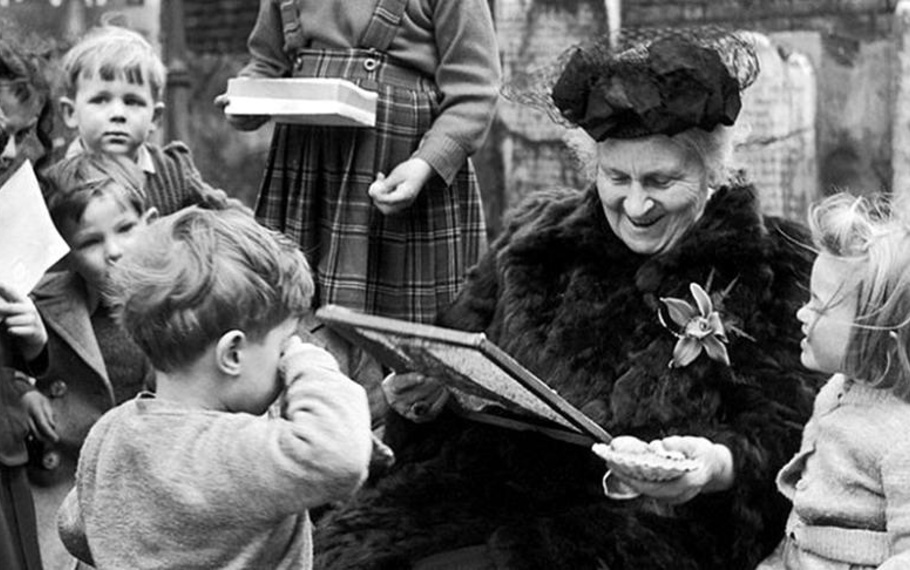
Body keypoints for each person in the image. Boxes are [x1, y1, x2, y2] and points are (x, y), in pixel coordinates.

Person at [313, 27, 823, 569]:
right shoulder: (535, 242)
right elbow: (452, 377)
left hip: (642, 531)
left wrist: (717, 466)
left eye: (660, 180)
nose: (635, 203)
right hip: (476, 497)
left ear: (711, 171)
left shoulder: (776, 266)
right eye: (615, 176)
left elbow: (793, 437)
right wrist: (423, 401)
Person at [56, 205, 373, 570]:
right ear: (233, 354)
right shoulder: (236, 451)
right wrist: (308, 361)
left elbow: (75, 528)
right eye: (283, 346)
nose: (287, 361)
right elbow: (339, 455)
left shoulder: (110, 433)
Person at [217, 0, 500, 326]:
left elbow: (474, 89)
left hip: (400, 172)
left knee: (409, 338)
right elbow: (266, 63)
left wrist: (424, 163)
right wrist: (245, 99)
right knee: (287, 314)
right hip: (306, 176)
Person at [756, 193, 910, 570]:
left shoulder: (899, 440)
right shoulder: (836, 391)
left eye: (819, 304)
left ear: (878, 338)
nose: (801, 312)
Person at [23, 152, 157, 570]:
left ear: (150, 222)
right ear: (65, 253)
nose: (114, 251)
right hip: (65, 485)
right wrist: (24, 387)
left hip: (145, 482)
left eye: (126, 230)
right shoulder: (41, 303)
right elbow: (14, 364)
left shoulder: (177, 302)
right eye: (90, 242)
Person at [59, 24, 233, 215]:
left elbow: (220, 216)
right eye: (100, 100)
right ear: (71, 113)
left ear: (155, 118)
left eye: (132, 101)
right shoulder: (54, 184)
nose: (118, 114)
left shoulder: (175, 172)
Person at [0, 32, 55, 570]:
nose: (13, 152)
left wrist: (35, 349)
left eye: (24, 135)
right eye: (1, 135)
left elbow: (21, 356)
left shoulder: (14, 200)